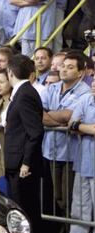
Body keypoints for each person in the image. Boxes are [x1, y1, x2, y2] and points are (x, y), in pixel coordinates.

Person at [4, 54, 44, 233]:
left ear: (10, 73)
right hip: (17, 162)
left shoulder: (26, 93)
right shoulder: (24, 92)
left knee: (25, 211)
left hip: (22, 165)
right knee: (24, 209)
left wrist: (26, 163)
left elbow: (34, 132)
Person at [41, 53, 90, 212]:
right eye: (63, 66)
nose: (64, 70)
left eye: (70, 67)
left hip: (71, 154)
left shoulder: (85, 92)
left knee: (69, 199)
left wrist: (52, 116)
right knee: (57, 198)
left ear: (80, 73)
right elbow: (38, 114)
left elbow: (70, 115)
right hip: (50, 151)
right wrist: (61, 121)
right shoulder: (52, 87)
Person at [59, 80, 95, 233]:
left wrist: (80, 127)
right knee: (79, 211)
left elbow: (78, 126)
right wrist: (81, 127)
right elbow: (71, 123)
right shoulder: (86, 99)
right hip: (83, 163)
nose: (94, 85)